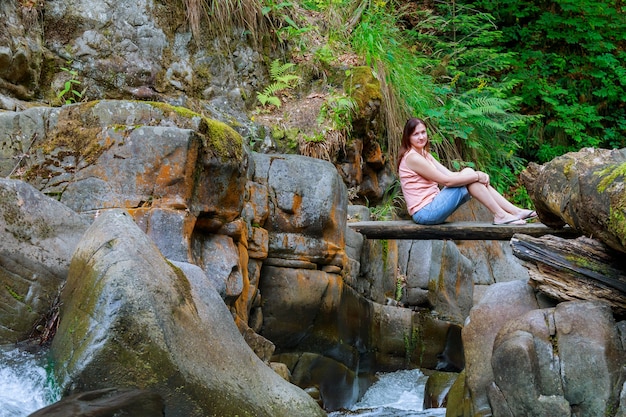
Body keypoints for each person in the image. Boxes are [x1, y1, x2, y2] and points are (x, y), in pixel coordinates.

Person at [397, 117, 536, 225]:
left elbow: (449, 174)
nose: (421, 137)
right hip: (425, 212)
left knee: (469, 173)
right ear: (408, 137)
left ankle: (514, 211)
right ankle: (501, 215)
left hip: (434, 206)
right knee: (470, 178)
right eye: (416, 134)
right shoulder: (412, 158)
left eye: (423, 132)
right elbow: (446, 181)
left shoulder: (424, 154)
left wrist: (474, 175)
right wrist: (476, 176)